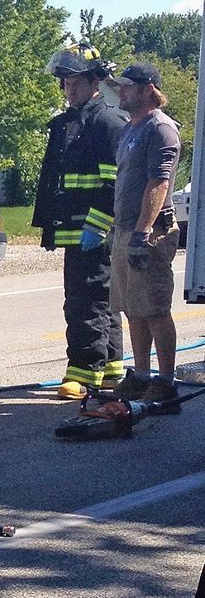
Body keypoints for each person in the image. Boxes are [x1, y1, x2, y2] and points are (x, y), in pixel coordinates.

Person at [33, 42, 128, 400]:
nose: (68, 90)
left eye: (75, 82)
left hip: (94, 230)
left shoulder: (106, 123)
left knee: (85, 301)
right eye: (65, 83)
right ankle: (111, 368)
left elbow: (113, 184)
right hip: (75, 229)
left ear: (94, 83)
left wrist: (98, 225)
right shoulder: (69, 125)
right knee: (99, 297)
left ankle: (85, 372)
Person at [105, 63, 182, 405]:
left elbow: (159, 182)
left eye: (127, 86)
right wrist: (117, 228)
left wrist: (142, 231)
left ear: (148, 88)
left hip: (149, 232)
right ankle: (140, 375)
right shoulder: (130, 129)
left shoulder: (161, 129)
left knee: (155, 309)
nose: (120, 91)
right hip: (125, 229)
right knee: (132, 309)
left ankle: (165, 381)